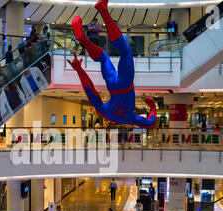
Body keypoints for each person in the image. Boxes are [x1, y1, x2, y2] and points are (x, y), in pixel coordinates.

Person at [67, 0, 157, 128]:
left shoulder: (130, 118)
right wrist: (79, 70)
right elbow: (92, 94)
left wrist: (152, 106)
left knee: (126, 51)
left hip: (126, 84)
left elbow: (150, 123)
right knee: (104, 58)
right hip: (112, 86)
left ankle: (103, 11)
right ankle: (84, 40)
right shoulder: (107, 115)